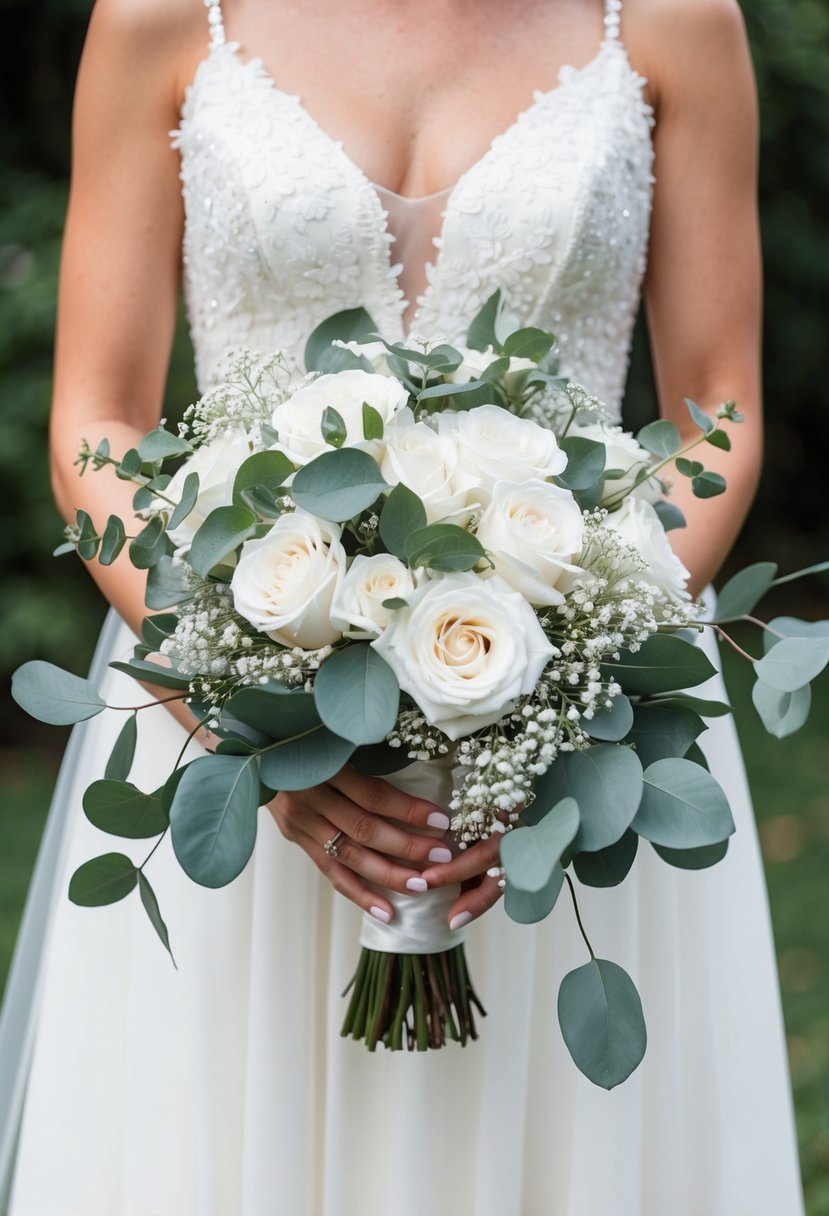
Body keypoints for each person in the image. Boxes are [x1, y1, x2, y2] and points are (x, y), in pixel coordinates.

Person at [0, 0, 806, 1212]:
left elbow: (716, 409)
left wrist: (570, 682)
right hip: (226, 741)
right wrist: (254, 715)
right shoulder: (162, 16)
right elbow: (95, 420)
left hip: (572, 773)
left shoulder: (673, 19)